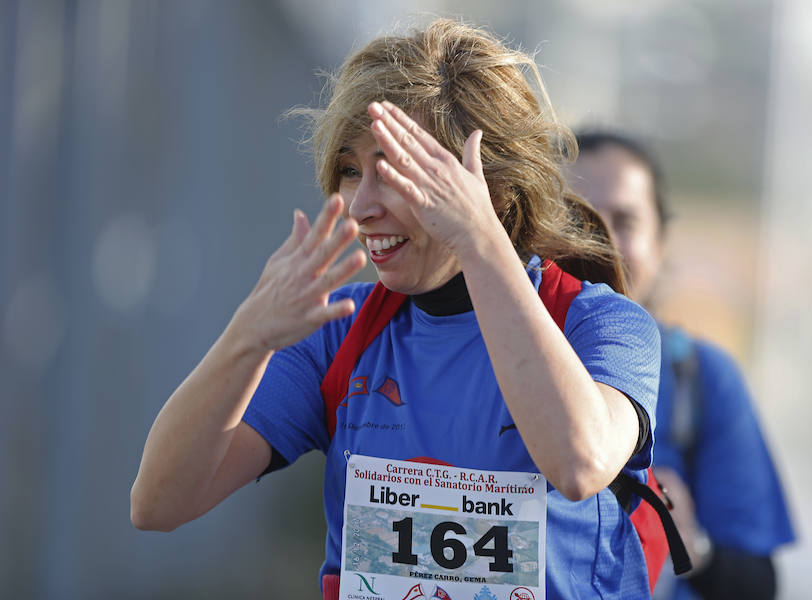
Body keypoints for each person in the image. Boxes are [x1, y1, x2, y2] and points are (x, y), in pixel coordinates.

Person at [131, 20, 663, 600]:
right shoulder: (339, 329)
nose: (360, 207)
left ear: (496, 187)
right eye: (352, 170)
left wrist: (478, 240)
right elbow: (159, 504)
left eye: (394, 172)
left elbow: (579, 462)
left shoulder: (600, 323)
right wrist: (247, 338)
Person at [569, 131, 796, 600]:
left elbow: (757, 584)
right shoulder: (493, 363)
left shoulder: (702, 377)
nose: (601, 241)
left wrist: (690, 542)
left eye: (625, 220)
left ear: (662, 240)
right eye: (576, 218)